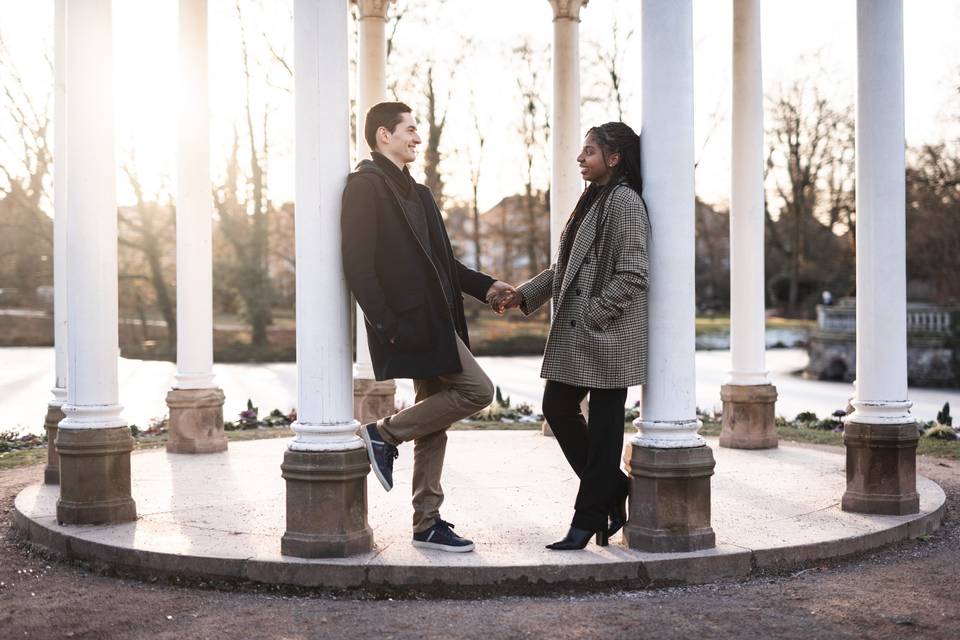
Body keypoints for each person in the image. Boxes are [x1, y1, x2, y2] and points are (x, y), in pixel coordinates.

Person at [341, 101, 516, 553]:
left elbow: (443, 263)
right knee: (478, 390)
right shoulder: (364, 187)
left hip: (440, 320)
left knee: (434, 419)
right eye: (410, 130)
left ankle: (427, 521)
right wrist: (387, 325)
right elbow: (359, 266)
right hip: (407, 324)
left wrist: (487, 285)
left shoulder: (418, 193)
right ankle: (381, 433)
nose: (418, 138)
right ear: (384, 135)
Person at [492, 122, 650, 550]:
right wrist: (524, 294)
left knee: (602, 427)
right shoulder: (594, 199)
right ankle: (612, 490)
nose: (580, 158)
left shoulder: (625, 203)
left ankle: (587, 517)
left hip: (608, 333)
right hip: (587, 331)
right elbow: (567, 267)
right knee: (558, 406)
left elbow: (635, 275)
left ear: (614, 158)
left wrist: (596, 312)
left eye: (590, 152)